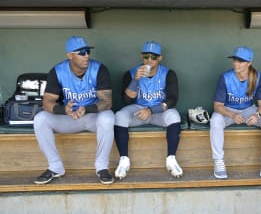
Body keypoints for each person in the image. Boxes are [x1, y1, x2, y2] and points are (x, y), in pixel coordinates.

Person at [33, 36, 115, 185]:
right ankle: (55, 166)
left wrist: (87, 108)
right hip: (69, 118)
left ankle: (102, 167)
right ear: (70, 55)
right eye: (81, 52)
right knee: (40, 119)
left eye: (88, 51)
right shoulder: (58, 71)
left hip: (92, 117)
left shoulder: (99, 69)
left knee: (108, 117)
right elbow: (47, 103)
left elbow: (107, 102)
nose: (87, 55)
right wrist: (63, 110)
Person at [114, 41, 183, 179]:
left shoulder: (168, 74)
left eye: (153, 57)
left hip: (158, 111)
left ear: (160, 58)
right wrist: (135, 80)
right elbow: (126, 100)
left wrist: (151, 110)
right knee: (120, 115)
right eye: (146, 56)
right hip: (138, 110)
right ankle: (123, 160)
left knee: (174, 116)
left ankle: (171, 159)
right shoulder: (131, 73)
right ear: (142, 57)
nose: (149, 60)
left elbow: (172, 100)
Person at [210, 46, 261, 179]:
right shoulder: (225, 77)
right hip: (229, 111)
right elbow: (217, 106)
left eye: (240, 61)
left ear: (249, 63)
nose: (236, 63)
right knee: (215, 119)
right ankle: (218, 161)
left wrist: (257, 115)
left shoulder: (258, 77)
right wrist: (232, 115)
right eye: (235, 60)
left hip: (249, 109)